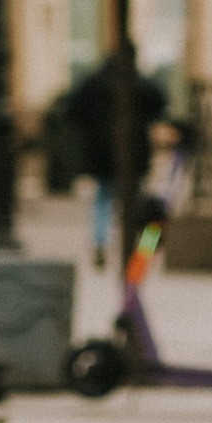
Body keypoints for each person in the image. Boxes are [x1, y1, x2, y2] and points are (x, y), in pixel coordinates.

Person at [64, 52, 168, 267]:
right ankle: (145, 248)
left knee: (103, 199)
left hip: (101, 153)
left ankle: (101, 242)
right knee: (137, 202)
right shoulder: (137, 82)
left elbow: (72, 108)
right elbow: (160, 102)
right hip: (133, 152)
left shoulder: (94, 82)